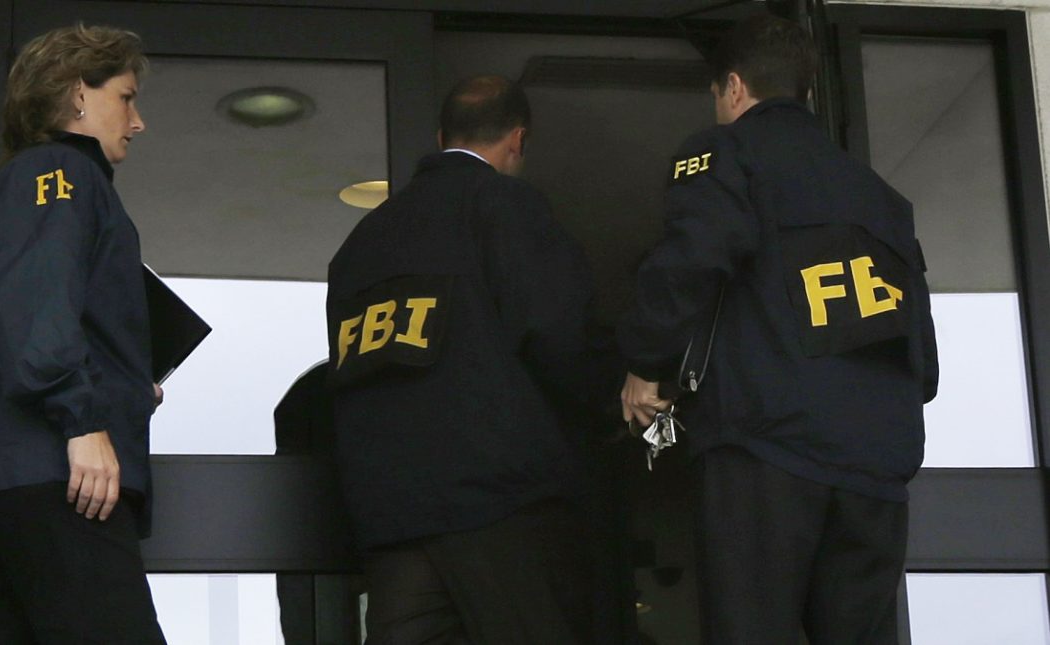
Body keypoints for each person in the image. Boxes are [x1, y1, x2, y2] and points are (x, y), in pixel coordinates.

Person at [618, 15, 939, 644]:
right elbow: (921, 353)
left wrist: (644, 362)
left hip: (768, 446)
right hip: (876, 461)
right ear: (806, 92)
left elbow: (691, 258)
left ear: (734, 88)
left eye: (717, 96)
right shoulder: (881, 196)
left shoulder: (727, 153)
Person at [326, 75, 618, 645]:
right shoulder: (505, 206)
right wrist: (611, 406)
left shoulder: (360, 243)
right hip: (501, 507)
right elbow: (560, 334)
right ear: (518, 140)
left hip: (393, 516)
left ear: (440, 137)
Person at [0, 24, 166, 644]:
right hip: (52, 477)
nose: (136, 122)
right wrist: (82, 420)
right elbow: (35, 307)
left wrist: (128, 383)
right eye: (126, 97)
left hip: (4, 482)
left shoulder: (29, 182)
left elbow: (30, 307)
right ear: (79, 94)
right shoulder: (56, 170)